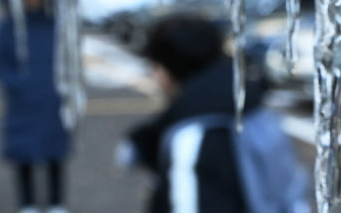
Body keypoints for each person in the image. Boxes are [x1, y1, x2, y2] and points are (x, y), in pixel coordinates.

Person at [120, 16, 308, 213]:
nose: (154, 76)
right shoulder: (251, 107)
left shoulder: (194, 137)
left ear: (167, 69)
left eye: (155, 67)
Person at [0, 0, 69, 213]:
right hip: (22, 102)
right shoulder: (9, 27)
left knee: (55, 153)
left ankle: (56, 202)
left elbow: (68, 58)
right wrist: (16, 84)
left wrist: (63, 85)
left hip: (52, 100)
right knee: (23, 154)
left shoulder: (55, 24)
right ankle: (27, 203)